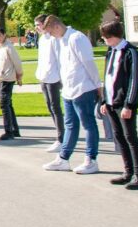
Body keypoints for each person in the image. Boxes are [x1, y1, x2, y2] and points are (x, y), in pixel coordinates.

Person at [41, 15, 103, 175]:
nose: (50, 36)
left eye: (50, 32)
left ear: (57, 26)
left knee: (88, 124)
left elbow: (88, 63)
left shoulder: (77, 38)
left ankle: (91, 160)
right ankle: (63, 158)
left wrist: (98, 85)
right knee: (70, 125)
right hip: (68, 90)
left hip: (83, 88)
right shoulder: (61, 41)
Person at [99, 21, 138, 189]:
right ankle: (128, 172)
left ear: (113, 36)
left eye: (105, 37)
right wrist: (104, 100)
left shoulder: (130, 52)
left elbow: (135, 80)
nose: (104, 40)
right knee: (119, 137)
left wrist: (129, 105)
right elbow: (108, 77)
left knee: (130, 137)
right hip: (111, 102)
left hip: (124, 103)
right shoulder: (111, 51)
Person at [34, 14, 64, 153]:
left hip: (53, 77)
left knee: (55, 107)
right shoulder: (42, 40)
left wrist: (61, 78)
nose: (37, 28)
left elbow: (59, 59)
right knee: (50, 107)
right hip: (44, 77)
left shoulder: (54, 39)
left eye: (38, 25)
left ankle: (61, 138)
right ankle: (60, 135)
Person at [0, 28, 22, 141]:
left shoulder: (9, 47)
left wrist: (19, 76)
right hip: (0, 78)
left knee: (4, 104)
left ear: (4, 35)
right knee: (8, 104)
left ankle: (9, 131)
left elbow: (17, 63)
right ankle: (14, 129)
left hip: (7, 79)